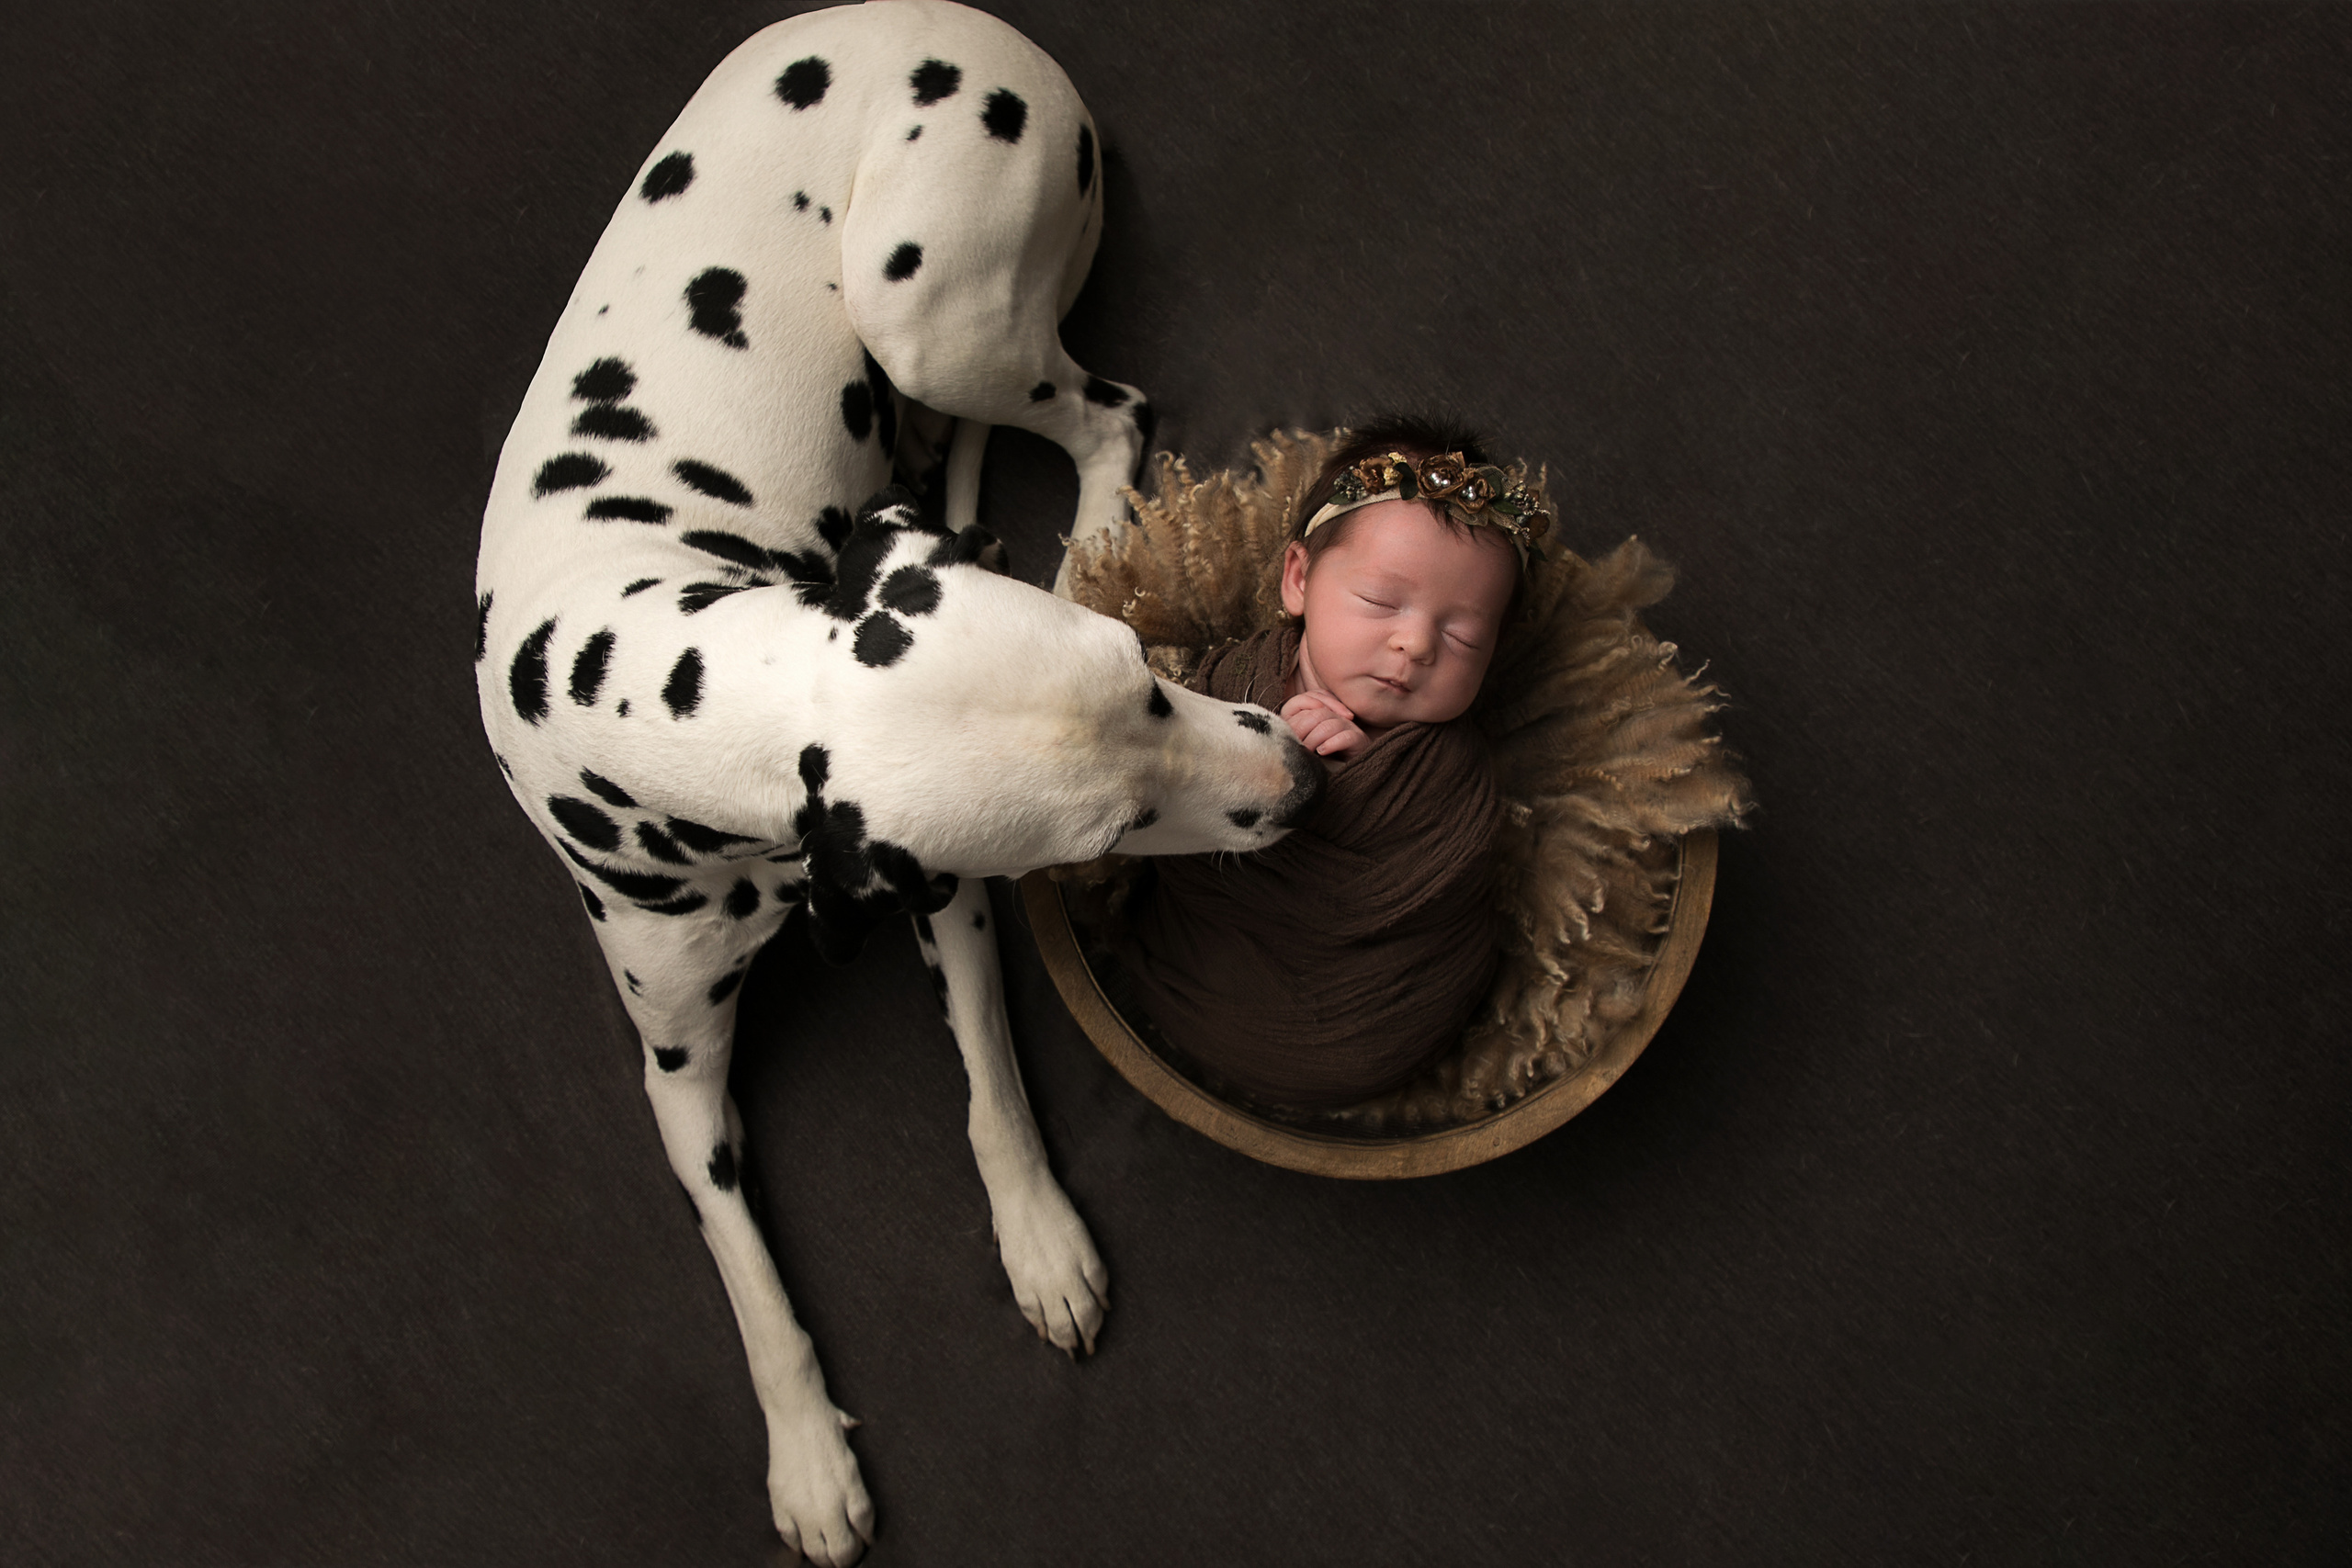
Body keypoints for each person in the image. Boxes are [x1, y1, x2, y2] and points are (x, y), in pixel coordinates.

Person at [1118, 418, 1553, 1109]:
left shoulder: (1454, 772)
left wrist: (1341, 788)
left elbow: (1450, 872)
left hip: (1367, 1024)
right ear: (1298, 580)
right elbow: (1168, 781)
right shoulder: (1239, 680)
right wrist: (1267, 750)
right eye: (1381, 602)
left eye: (1463, 634)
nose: (1415, 644)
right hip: (1201, 964)